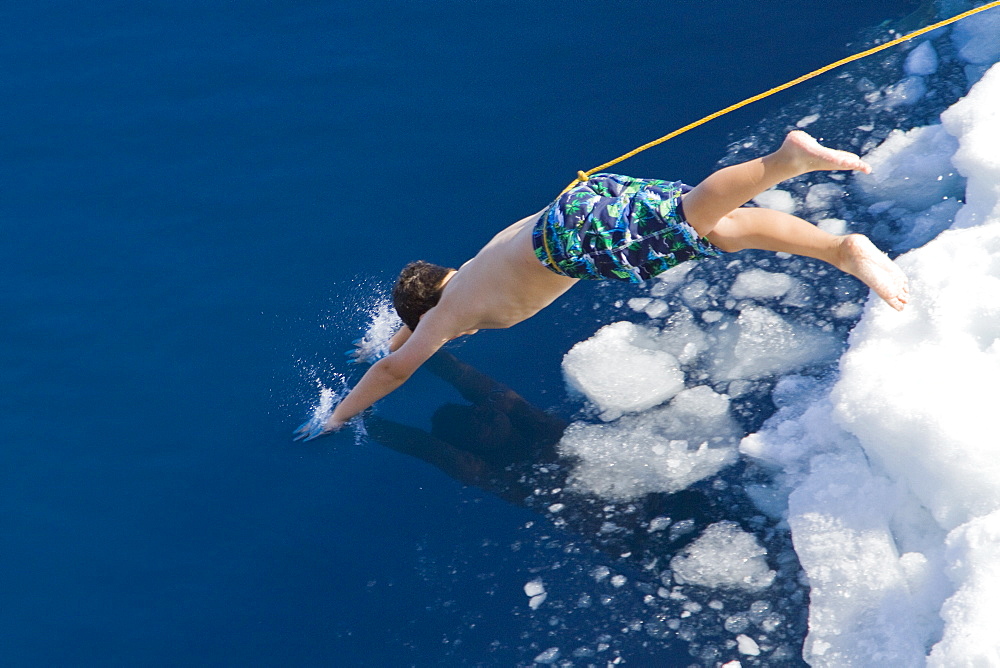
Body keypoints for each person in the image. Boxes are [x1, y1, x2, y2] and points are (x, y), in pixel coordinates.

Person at [295, 131, 909, 439]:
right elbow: (408, 325)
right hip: (578, 205)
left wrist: (337, 416)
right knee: (723, 230)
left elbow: (394, 371)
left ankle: (786, 159)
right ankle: (842, 249)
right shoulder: (465, 275)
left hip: (570, 242)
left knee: (689, 217)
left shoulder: (448, 316)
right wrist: (379, 338)